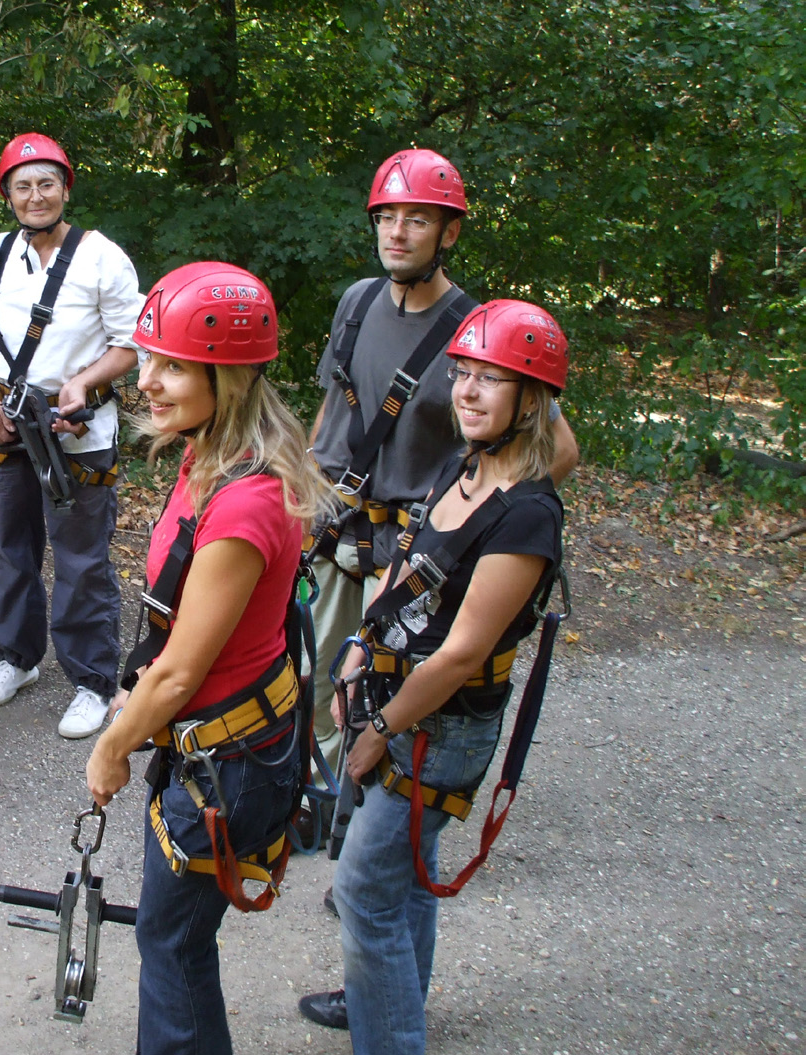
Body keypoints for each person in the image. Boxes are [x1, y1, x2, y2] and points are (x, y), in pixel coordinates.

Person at [297, 300, 571, 1053]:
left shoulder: (526, 517)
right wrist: (358, 648)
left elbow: (458, 655)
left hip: (438, 726)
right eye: (465, 375)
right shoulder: (466, 465)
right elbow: (406, 567)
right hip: (396, 699)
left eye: (493, 380)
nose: (470, 392)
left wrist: (375, 735)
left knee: (360, 888)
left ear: (532, 400)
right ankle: (387, 1000)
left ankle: (390, 1031)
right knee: (410, 875)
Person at [85, 262, 331, 1054]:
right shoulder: (211, 456)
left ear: (229, 375)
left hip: (227, 761)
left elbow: (185, 672)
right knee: (175, 937)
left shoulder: (245, 500)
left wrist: (113, 747)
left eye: (173, 366)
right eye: (147, 359)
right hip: (223, 743)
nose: (147, 381)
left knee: (173, 942)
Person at [303, 148, 579, 840]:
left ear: (448, 233)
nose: (397, 232)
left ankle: (374, 843)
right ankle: (331, 802)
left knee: (389, 692)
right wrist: (303, 494)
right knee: (323, 678)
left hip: (414, 548)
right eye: (387, 217)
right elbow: (336, 412)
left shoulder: (481, 331)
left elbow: (557, 451)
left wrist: (472, 535)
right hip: (340, 528)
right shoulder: (357, 303)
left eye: (417, 220)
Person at [0, 133, 143, 738]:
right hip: (2, 424)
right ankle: (16, 657)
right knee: (13, 544)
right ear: (6, 193)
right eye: (23, 185)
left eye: (47, 183)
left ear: (65, 188)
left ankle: (91, 679)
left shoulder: (102, 257)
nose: (36, 195)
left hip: (73, 428)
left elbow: (133, 342)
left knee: (82, 556)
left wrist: (83, 384)